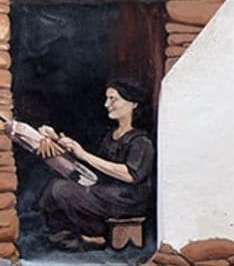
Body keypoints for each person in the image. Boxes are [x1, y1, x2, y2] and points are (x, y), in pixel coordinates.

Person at [36, 79, 154, 252]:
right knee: (54, 186)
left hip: (129, 197)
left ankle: (94, 234)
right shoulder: (110, 136)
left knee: (62, 189)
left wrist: (83, 154)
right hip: (107, 191)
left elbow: (131, 175)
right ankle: (64, 237)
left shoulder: (141, 141)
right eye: (107, 99)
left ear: (133, 104)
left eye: (113, 99)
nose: (107, 104)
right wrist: (56, 140)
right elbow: (94, 167)